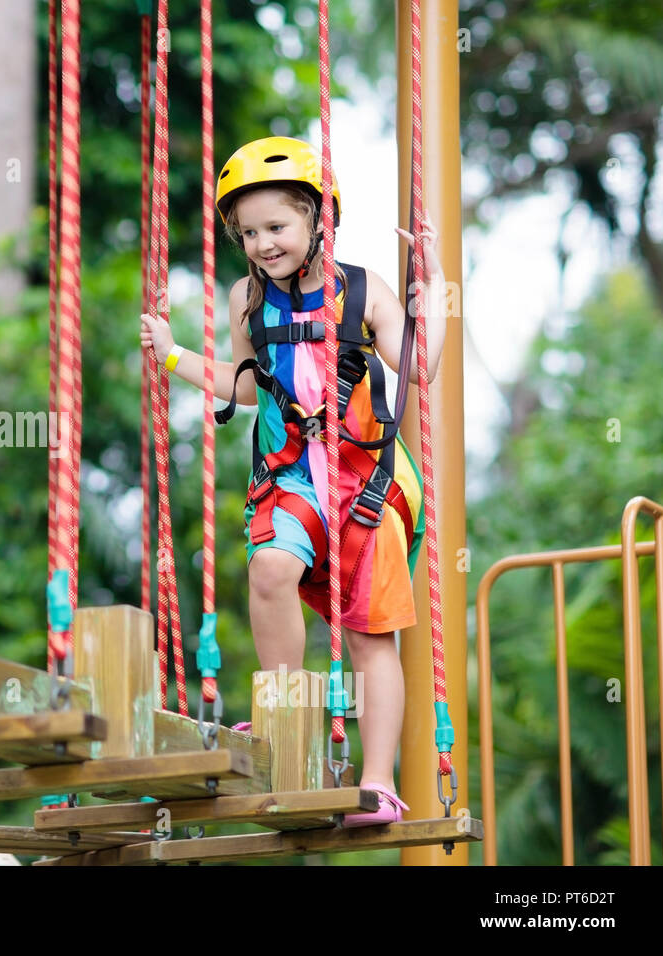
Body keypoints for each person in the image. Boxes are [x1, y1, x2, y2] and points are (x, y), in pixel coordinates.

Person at [139, 136, 447, 825]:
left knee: (371, 637)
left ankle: (376, 782)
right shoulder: (246, 299)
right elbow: (247, 389)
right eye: (248, 233)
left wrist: (438, 291)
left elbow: (419, 367)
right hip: (291, 476)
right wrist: (173, 355)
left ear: (318, 222)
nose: (262, 244)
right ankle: (284, 718)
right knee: (271, 568)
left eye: (276, 227)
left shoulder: (363, 289)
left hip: (369, 483)